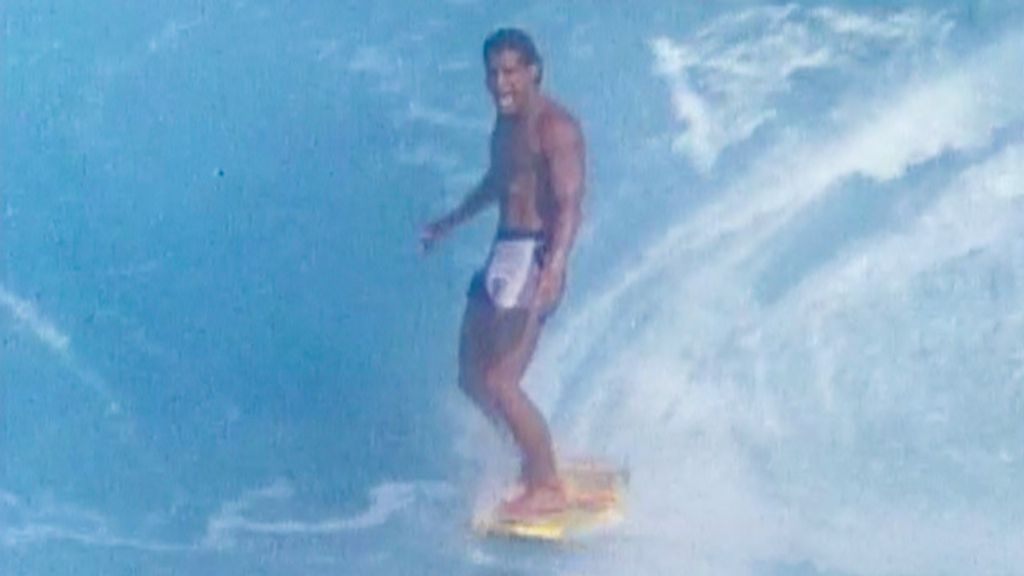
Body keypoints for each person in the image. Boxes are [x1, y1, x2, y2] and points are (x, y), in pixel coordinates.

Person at [421, 28, 586, 518]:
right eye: (493, 73)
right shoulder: (505, 124)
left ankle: (546, 485)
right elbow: (500, 181)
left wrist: (555, 265)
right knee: (471, 377)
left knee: (501, 381)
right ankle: (529, 456)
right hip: (503, 252)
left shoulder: (556, 128)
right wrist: (450, 222)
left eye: (510, 72)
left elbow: (570, 204)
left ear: (534, 70)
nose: (500, 83)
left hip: (536, 256)